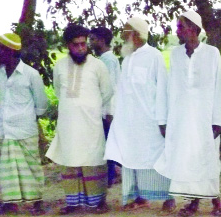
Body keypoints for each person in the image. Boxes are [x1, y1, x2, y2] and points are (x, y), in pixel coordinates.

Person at [154, 10, 221, 217]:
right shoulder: (176, 54)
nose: (177, 31)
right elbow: (172, 88)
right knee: (188, 159)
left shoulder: (211, 53)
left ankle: (217, 203)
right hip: (182, 118)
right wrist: (166, 119)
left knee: (209, 157)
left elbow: (218, 87)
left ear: (193, 29)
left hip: (205, 118)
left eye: (180, 27)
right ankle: (192, 203)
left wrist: (217, 120)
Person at [103, 16, 175, 214]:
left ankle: (169, 198)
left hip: (150, 120)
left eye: (125, 31)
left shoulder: (154, 56)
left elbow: (162, 90)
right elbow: (122, 90)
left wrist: (162, 120)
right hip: (129, 121)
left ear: (135, 34)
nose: (122, 35)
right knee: (131, 158)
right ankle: (139, 198)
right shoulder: (127, 58)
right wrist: (115, 113)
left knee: (158, 157)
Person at [46, 23, 113, 214]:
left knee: (93, 160)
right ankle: (73, 203)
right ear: (68, 45)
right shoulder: (59, 65)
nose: (81, 48)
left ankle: (98, 202)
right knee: (70, 160)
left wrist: (90, 107)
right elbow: (59, 90)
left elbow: (107, 92)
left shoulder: (98, 65)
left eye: (84, 44)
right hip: (68, 123)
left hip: (91, 124)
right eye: (76, 45)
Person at [0, 33, 48, 216]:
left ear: (10, 51)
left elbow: (41, 103)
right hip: (6, 127)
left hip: (25, 128)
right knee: (8, 168)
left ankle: (37, 201)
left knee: (31, 166)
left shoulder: (30, 74)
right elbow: (2, 100)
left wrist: (30, 117)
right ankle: (10, 203)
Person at [89, 26, 120, 187]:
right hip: (105, 111)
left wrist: (108, 112)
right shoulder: (104, 59)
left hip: (107, 111)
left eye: (93, 39)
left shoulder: (107, 60)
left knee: (107, 147)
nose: (90, 42)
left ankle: (108, 179)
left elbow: (110, 88)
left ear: (101, 40)